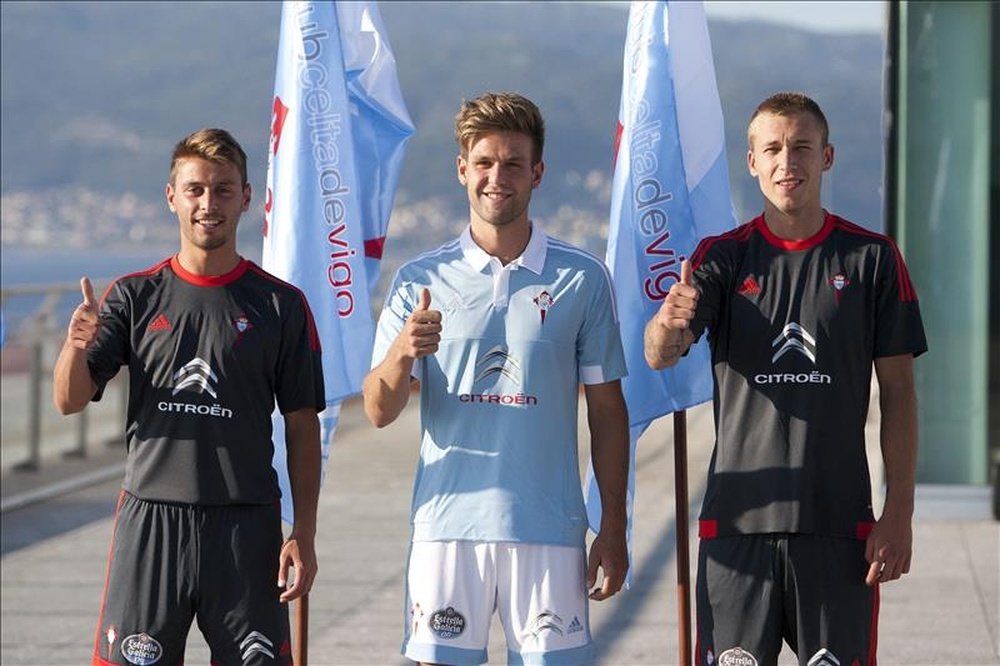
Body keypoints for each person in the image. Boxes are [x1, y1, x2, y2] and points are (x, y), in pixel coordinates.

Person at [645, 91, 926, 665]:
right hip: (737, 528)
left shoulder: (873, 258)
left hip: (840, 527)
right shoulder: (719, 258)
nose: (786, 162)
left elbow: (898, 393)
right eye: (771, 148)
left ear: (827, 156)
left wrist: (898, 512)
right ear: (751, 162)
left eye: (802, 147)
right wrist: (665, 324)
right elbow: (662, 354)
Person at [362, 92, 630, 665]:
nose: (496, 177)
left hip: (549, 528)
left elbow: (608, 413)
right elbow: (378, 409)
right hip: (447, 526)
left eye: (512, 163)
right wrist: (403, 353)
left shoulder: (581, 278)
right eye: (484, 162)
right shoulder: (420, 278)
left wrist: (613, 525)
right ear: (463, 169)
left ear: (537, 172)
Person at [53, 128, 324, 666]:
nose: (209, 203)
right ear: (172, 195)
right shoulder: (135, 294)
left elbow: (301, 425)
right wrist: (73, 346)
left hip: (246, 526)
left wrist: (306, 533)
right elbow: (69, 400)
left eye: (224, 189)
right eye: (196, 189)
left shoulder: (281, 305)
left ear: (247, 198)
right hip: (151, 521)